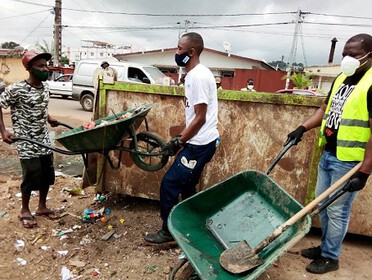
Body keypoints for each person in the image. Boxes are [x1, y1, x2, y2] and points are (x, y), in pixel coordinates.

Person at [285, 33, 372, 274]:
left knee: (337, 210)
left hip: (349, 161)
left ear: (369, 56)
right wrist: (302, 128)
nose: (347, 59)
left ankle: (331, 257)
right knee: (323, 203)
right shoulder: (342, 78)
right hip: (329, 153)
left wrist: (365, 171)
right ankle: (325, 247)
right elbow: (325, 109)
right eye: (345, 53)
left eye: (353, 55)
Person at [144, 32, 220, 244]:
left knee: (170, 184)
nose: (176, 53)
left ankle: (168, 232)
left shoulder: (199, 76)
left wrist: (179, 142)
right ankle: (194, 225)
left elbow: (201, 118)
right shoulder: (193, 75)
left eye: (179, 49)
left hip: (200, 144)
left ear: (191, 51)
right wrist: (181, 140)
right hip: (198, 142)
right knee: (187, 187)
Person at [0, 51, 60, 228]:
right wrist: (3, 131)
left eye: (46, 65)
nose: (45, 68)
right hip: (26, 140)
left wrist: (49, 118)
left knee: (47, 175)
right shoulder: (16, 89)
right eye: (41, 66)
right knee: (31, 176)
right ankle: (25, 210)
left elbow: (41, 105)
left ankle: (42, 207)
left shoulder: (45, 87)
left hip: (43, 138)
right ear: (29, 68)